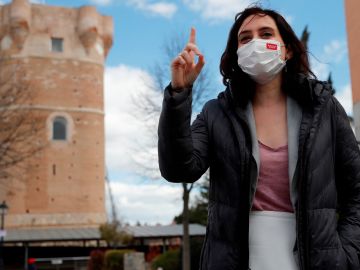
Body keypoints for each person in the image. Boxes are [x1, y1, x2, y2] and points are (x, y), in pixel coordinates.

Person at [158, 6, 360, 270]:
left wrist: (347, 254)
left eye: (266, 34)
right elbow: (178, 170)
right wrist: (178, 94)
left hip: (318, 260)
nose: (256, 43)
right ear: (237, 54)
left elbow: (356, 190)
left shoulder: (324, 109)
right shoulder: (216, 113)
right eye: (245, 38)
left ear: (286, 49)